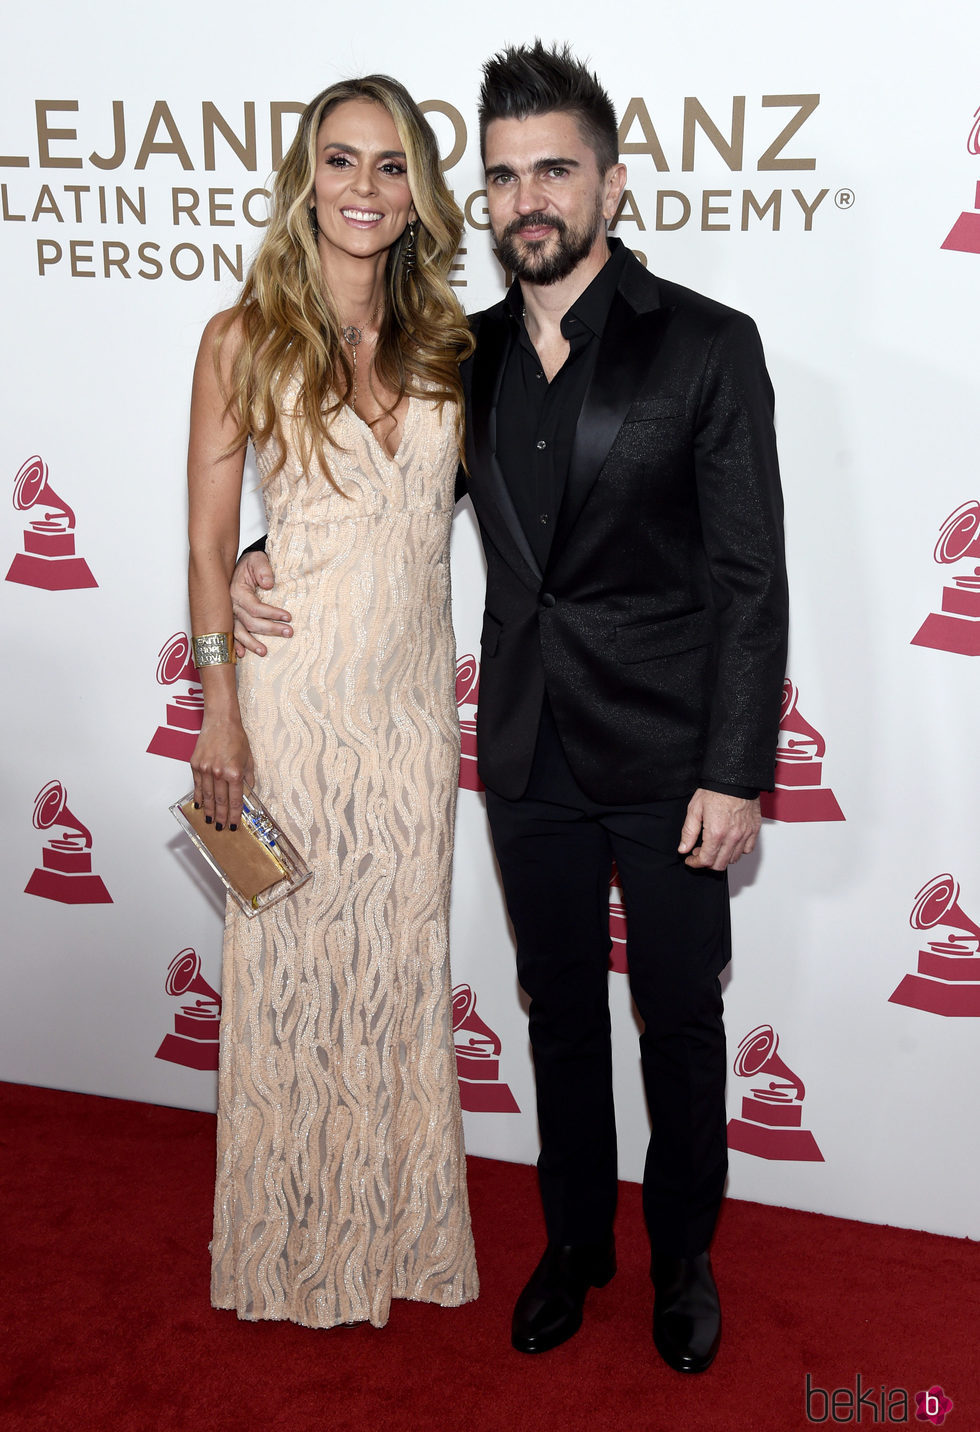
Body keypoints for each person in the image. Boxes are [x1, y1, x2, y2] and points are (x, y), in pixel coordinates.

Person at [231, 43, 788, 1371]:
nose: (527, 198)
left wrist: (737, 768)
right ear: (476, 201)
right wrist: (265, 557)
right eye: (502, 178)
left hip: (670, 761)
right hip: (527, 743)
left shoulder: (707, 344)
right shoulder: (456, 354)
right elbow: (381, 502)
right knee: (555, 1012)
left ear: (612, 182)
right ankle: (577, 1243)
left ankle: (685, 1262)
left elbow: (749, 576)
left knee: (682, 1015)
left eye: (555, 170)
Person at [186, 75, 479, 1331]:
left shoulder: (457, 346)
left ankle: (401, 1236)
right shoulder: (241, 336)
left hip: (412, 713)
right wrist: (216, 707)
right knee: (294, 968)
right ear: (306, 178)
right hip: (291, 708)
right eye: (340, 160)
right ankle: (290, 1245)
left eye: (390, 165)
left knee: (398, 974)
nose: (364, 188)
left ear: (418, 190)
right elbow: (208, 547)